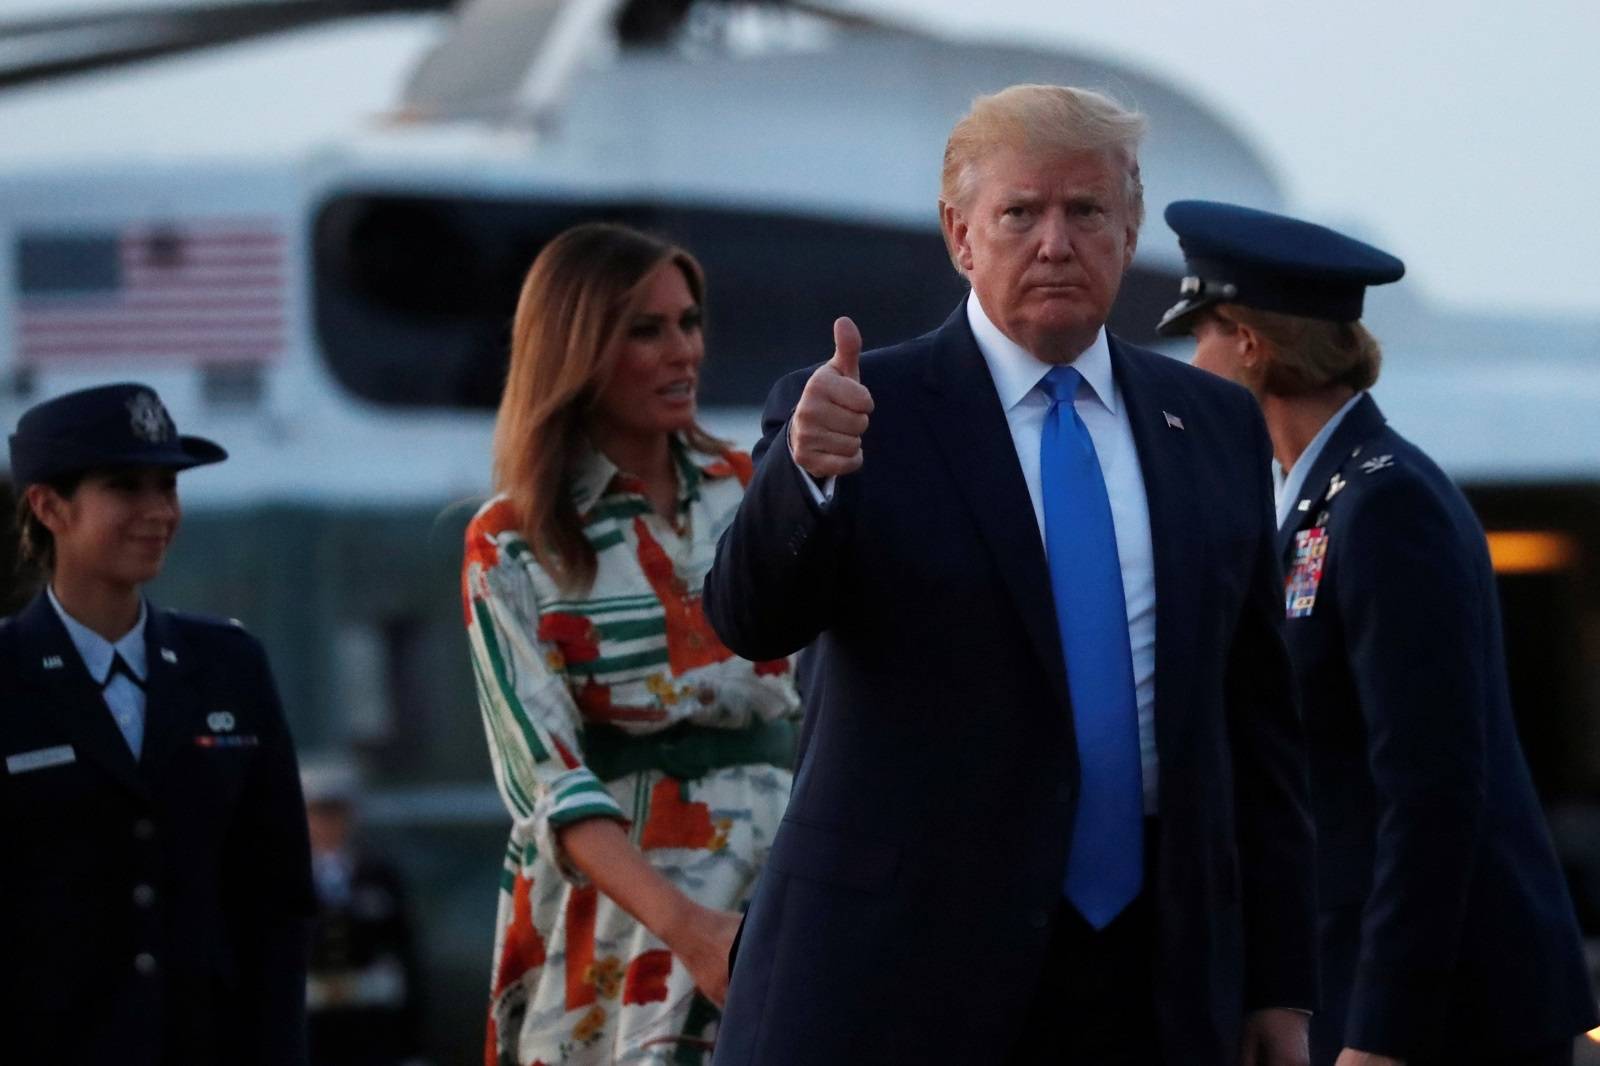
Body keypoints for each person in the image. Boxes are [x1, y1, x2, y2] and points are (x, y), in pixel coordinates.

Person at [703, 85, 1317, 1066]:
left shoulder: (1211, 424)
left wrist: (1280, 981)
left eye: (1085, 212)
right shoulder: (861, 410)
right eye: (1019, 213)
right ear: (959, 236)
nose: (1055, 243)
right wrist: (804, 474)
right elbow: (750, 616)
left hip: (1153, 977)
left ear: (1129, 228)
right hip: (907, 975)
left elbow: (1256, 723)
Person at [1158, 199, 1598, 1066]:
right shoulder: (1318, 497)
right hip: (1358, 983)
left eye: (1200, 334)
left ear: (1247, 343)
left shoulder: (1387, 502)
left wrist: (1382, 1032)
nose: (1190, 361)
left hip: (1441, 1014)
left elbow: (1430, 793)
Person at [462, 222, 801, 1064]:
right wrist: (687, 927)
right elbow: (546, 779)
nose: (682, 351)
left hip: (782, 877)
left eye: (688, 323)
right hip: (620, 918)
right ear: (576, 348)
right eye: (645, 330)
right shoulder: (510, 539)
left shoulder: (758, 488)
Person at [0, 383, 315, 1065]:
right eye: (126, 486)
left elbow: (275, 901)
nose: (158, 512)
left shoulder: (228, 663)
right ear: (49, 506)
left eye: (167, 487)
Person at [302, 759, 427, 1066]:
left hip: (371, 1020)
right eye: (317, 812)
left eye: (335, 812)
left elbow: (405, 951)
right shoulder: (282, 879)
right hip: (308, 1022)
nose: (327, 823)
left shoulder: (379, 875)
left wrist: (411, 1041)